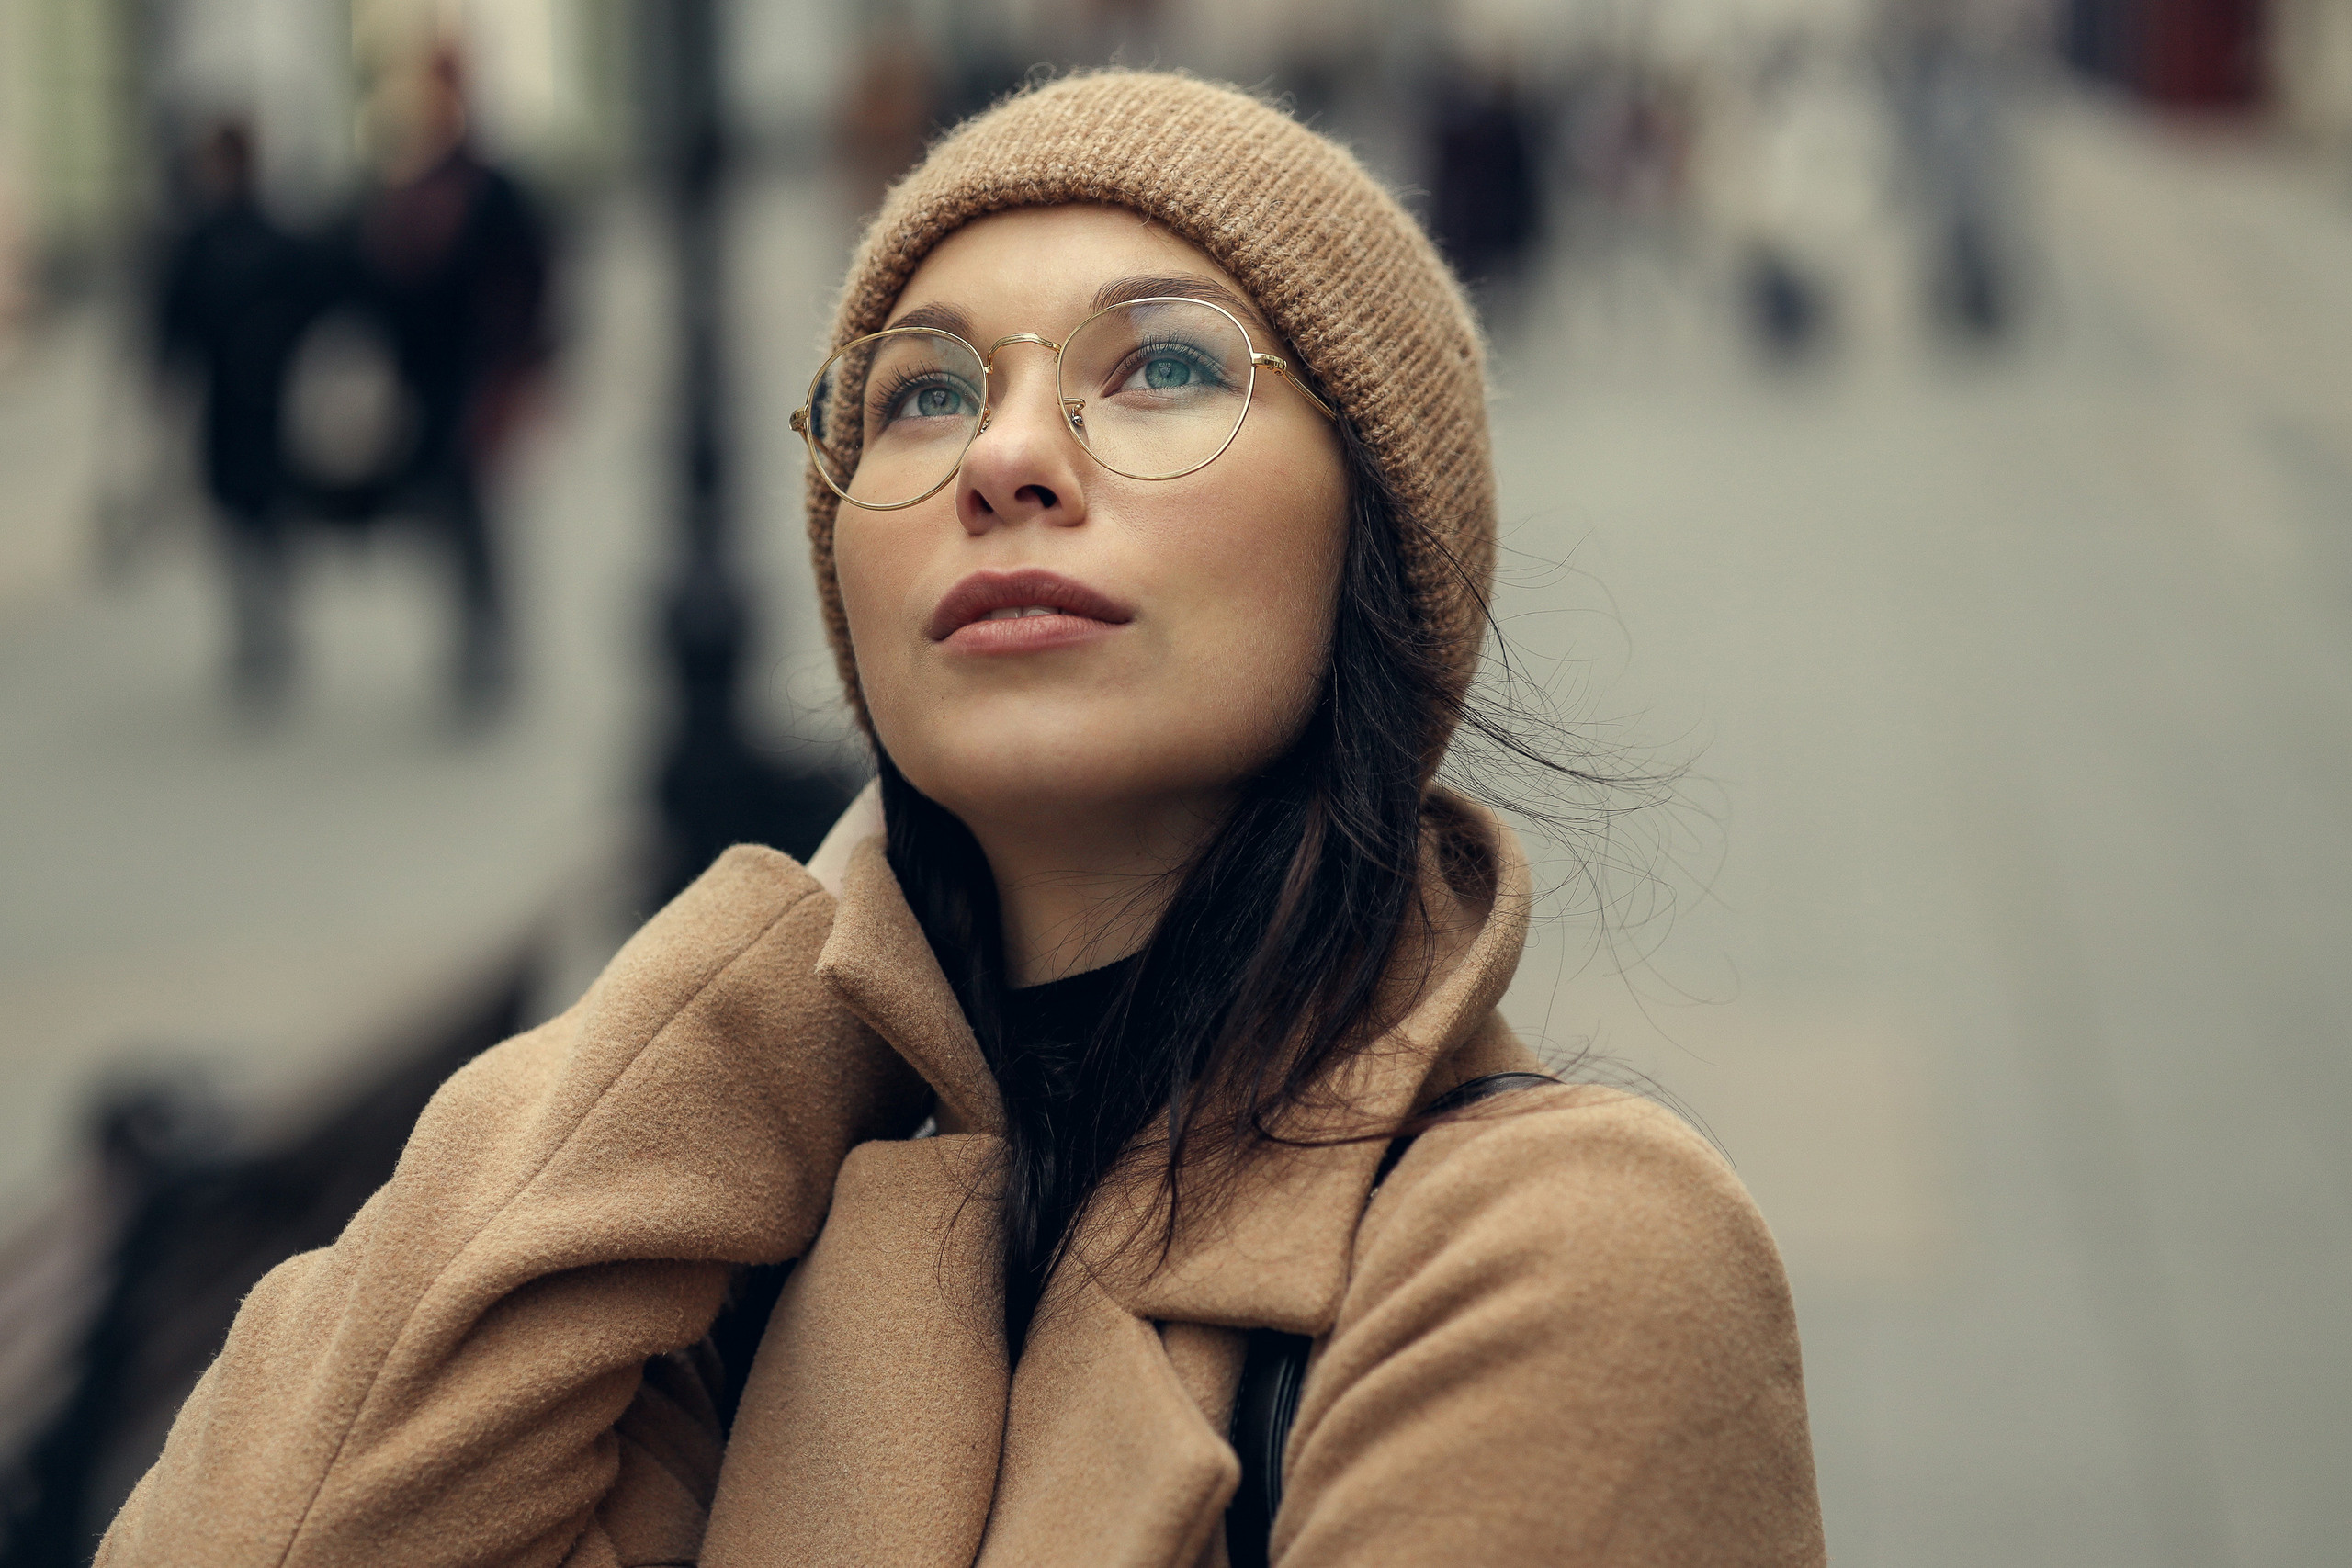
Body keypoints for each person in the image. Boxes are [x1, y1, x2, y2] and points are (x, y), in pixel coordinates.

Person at [99, 73, 1824, 1565]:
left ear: (1375, 535)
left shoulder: (1559, 1259)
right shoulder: (729, 1274)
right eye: (919, 392)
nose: (1006, 454)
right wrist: (783, 967)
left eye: (1156, 367)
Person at [352, 44, 550, 716]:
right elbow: (384, 284)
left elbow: (531, 284)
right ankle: (472, 635)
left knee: (475, 511)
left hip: (482, 377)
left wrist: (527, 374)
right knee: (445, 511)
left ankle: (486, 642)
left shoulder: (492, 187)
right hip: (427, 382)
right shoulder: (411, 186)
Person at [155, 119, 324, 710]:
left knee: (270, 515)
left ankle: (274, 629)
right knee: (232, 517)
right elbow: (173, 319)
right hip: (224, 406)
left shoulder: (273, 234)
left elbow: (312, 304)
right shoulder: (199, 238)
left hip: (274, 404)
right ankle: (254, 632)